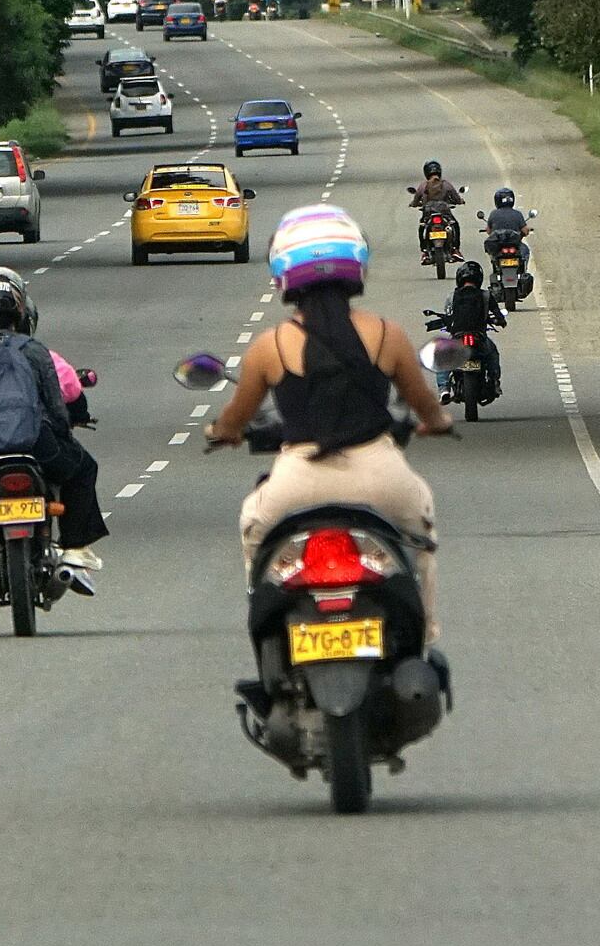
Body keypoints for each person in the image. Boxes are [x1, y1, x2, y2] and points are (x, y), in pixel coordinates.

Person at [209, 206, 455, 639]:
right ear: (355, 266)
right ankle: (424, 630)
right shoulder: (387, 334)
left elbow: (236, 417)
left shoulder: (270, 346)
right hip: (382, 476)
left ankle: (269, 628)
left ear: (284, 273)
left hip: (297, 480)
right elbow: (426, 406)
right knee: (419, 541)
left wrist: (221, 433)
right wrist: (437, 422)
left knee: (255, 534)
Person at [0, 265, 106, 582]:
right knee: (83, 469)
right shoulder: (36, 351)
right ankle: (76, 547)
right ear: (21, 310)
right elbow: (57, 405)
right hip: (36, 445)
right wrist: (62, 437)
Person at [438, 256, 505, 402]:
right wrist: (501, 321)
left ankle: (444, 390)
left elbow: (448, 314)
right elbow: (498, 314)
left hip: (458, 338)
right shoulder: (486, 295)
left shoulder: (452, 296)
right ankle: (494, 382)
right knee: (492, 354)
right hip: (479, 337)